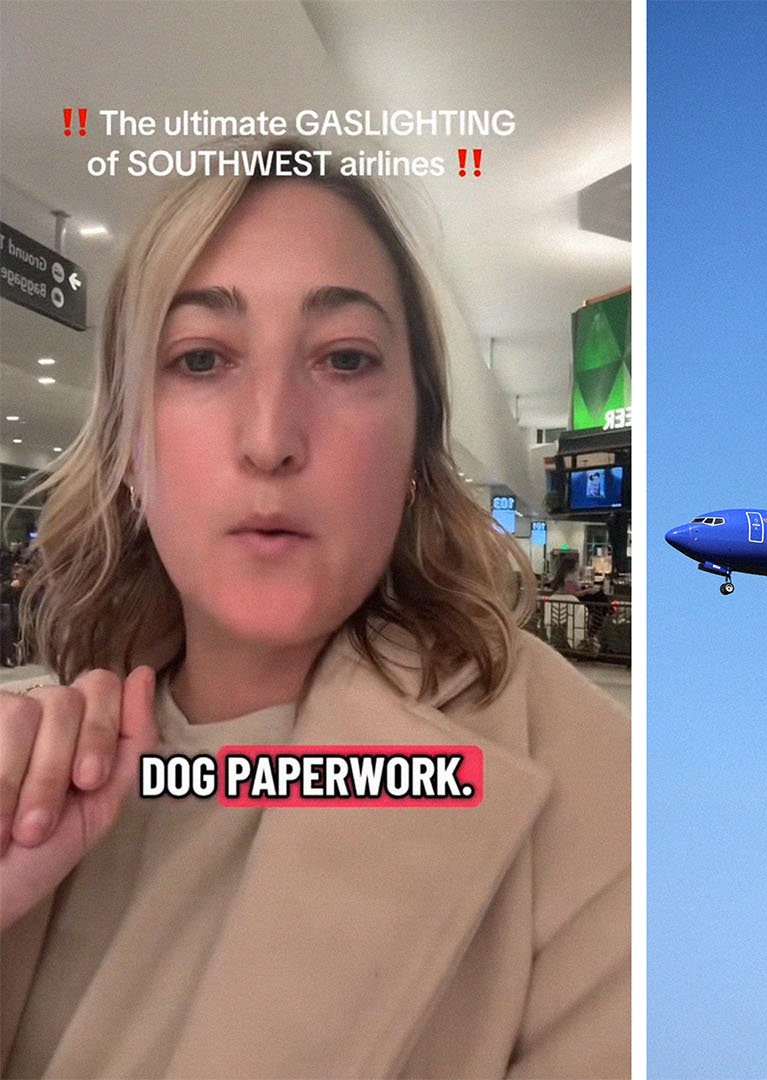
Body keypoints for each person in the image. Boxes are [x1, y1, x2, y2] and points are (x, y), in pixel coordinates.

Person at [0, 142, 629, 1076]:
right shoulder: (35, 756)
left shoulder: (599, 801)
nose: (269, 440)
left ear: (417, 438)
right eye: (202, 358)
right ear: (128, 443)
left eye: (342, 359)